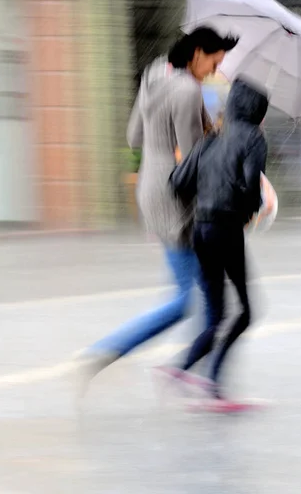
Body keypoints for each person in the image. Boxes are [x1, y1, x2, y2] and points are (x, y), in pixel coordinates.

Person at [73, 28, 238, 396]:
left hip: (150, 186)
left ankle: (188, 371)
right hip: (176, 197)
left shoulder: (154, 75)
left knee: (194, 290)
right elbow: (195, 156)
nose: (214, 70)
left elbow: (134, 136)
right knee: (194, 298)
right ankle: (196, 376)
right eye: (213, 62)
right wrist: (217, 116)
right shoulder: (188, 90)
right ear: (197, 53)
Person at [164, 78, 268, 404]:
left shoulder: (210, 141)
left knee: (219, 313)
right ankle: (207, 380)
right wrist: (250, 208)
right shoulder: (254, 138)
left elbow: (178, 183)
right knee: (247, 312)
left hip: (200, 232)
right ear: (257, 111)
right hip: (226, 229)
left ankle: (183, 369)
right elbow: (252, 191)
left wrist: (210, 182)